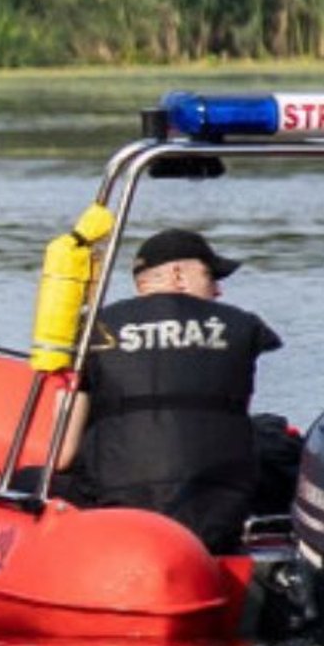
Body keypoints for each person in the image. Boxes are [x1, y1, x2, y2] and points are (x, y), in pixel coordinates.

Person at [54, 228, 282, 554]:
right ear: (178, 274)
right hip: (218, 519)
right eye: (210, 275)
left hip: (120, 515)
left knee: (27, 481)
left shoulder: (96, 329)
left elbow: (62, 454)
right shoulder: (244, 325)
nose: (217, 290)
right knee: (277, 445)